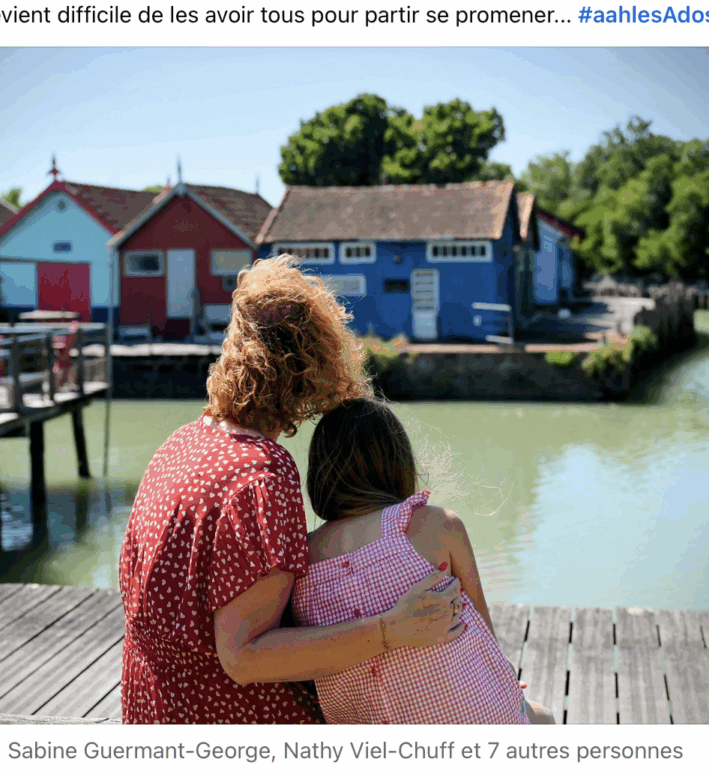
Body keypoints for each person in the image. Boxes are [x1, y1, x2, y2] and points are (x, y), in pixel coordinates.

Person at [119, 256, 465, 724]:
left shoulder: (179, 444)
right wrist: (391, 629)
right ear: (312, 369)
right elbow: (245, 657)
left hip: (153, 716)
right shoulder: (263, 475)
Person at [293, 397, 555, 724]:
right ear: (397, 462)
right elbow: (483, 632)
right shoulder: (436, 524)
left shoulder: (300, 559)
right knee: (544, 717)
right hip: (472, 720)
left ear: (320, 473)